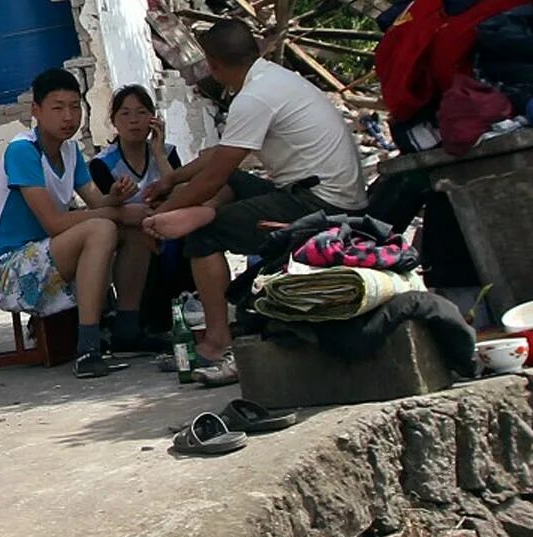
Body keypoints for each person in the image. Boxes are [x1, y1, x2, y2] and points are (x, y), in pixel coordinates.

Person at [140, 22, 369, 379]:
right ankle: (202, 212)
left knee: (204, 236)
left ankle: (216, 343)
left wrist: (158, 219)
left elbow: (216, 172)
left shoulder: (253, 98)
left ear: (212, 64)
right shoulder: (274, 79)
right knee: (227, 184)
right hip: (321, 193)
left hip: (321, 205)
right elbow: (221, 157)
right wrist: (173, 179)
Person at [0, 68, 125, 376]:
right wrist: (111, 214)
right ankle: (88, 349)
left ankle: (129, 325)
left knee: (126, 227)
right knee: (102, 228)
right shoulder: (23, 150)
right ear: (36, 110)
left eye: (75, 107)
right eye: (57, 107)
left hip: (46, 254)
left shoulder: (70, 151)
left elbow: (98, 202)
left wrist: (117, 198)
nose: (68, 117)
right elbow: (55, 223)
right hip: (9, 268)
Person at [81, 83, 188, 347]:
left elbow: (183, 193)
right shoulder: (103, 164)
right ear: (114, 121)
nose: (134, 121)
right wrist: (118, 197)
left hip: (166, 225)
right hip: (131, 234)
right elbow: (107, 209)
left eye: (141, 113)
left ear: (152, 118)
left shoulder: (168, 153)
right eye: (125, 114)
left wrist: (159, 154)